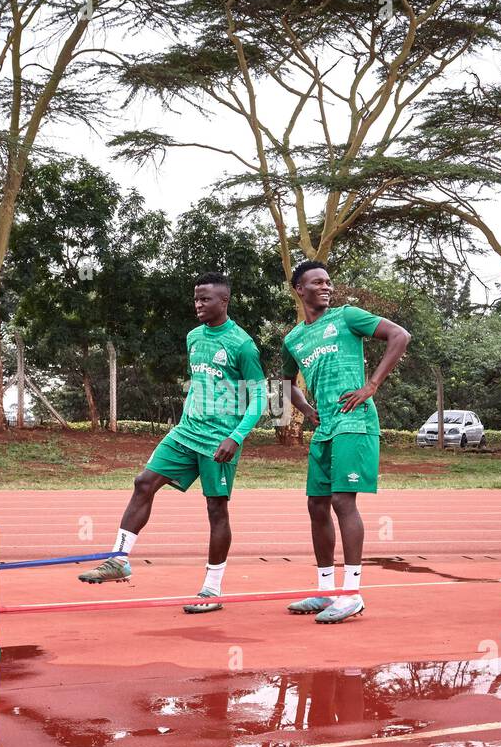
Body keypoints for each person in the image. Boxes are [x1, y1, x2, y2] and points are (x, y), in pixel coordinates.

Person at [78, 273, 267, 613]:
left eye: (205, 299)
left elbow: (259, 397)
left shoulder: (242, 345)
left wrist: (235, 437)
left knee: (216, 509)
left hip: (219, 440)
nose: (198, 304)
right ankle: (119, 559)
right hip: (185, 432)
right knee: (143, 483)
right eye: (195, 298)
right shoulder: (193, 337)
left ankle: (212, 590)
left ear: (223, 302)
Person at [280, 260, 410, 624]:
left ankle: (351, 593)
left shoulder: (348, 316)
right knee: (316, 505)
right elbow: (286, 382)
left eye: (328, 282)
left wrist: (371, 386)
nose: (326, 287)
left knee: (341, 501)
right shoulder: (293, 339)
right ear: (299, 290)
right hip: (324, 428)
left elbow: (400, 335)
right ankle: (325, 589)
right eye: (317, 282)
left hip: (355, 421)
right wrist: (306, 409)